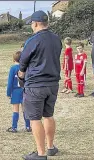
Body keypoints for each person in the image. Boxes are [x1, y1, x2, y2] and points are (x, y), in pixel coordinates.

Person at [17, 11, 62, 160]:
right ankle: (50, 147)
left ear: (35, 23)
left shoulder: (32, 40)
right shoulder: (57, 39)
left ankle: (41, 154)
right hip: (53, 84)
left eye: (31, 24)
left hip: (36, 84)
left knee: (35, 118)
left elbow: (23, 61)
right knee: (48, 115)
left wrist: (21, 75)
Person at [6, 51, 31, 133]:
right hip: (24, 91)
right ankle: (28, 126)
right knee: (25, 110)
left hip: (15, 91)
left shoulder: (13, 68)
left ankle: (14, 127)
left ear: (14, 59)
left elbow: (10, 82)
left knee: (15, 110)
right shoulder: (25, 68)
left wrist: (8, 93)